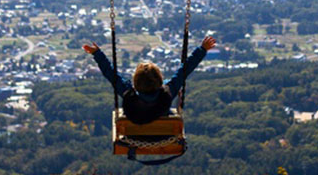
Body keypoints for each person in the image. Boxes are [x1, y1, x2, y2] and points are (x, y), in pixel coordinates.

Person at [83, 35, 217, 124]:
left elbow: (110, 73)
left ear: (135, 81)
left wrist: (97, 54)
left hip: (135, 137)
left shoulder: (128, 92)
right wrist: (202, 50)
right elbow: (185, 69)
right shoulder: (168, 91)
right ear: (159, 79)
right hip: (163, 136)